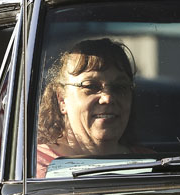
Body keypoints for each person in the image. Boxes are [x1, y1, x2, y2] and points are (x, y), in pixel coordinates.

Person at [36, 37, 147, 177]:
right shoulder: (35, 169)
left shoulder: (152, 164)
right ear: (62, 100)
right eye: (90, 86)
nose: (107, 98)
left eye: (120, 87)